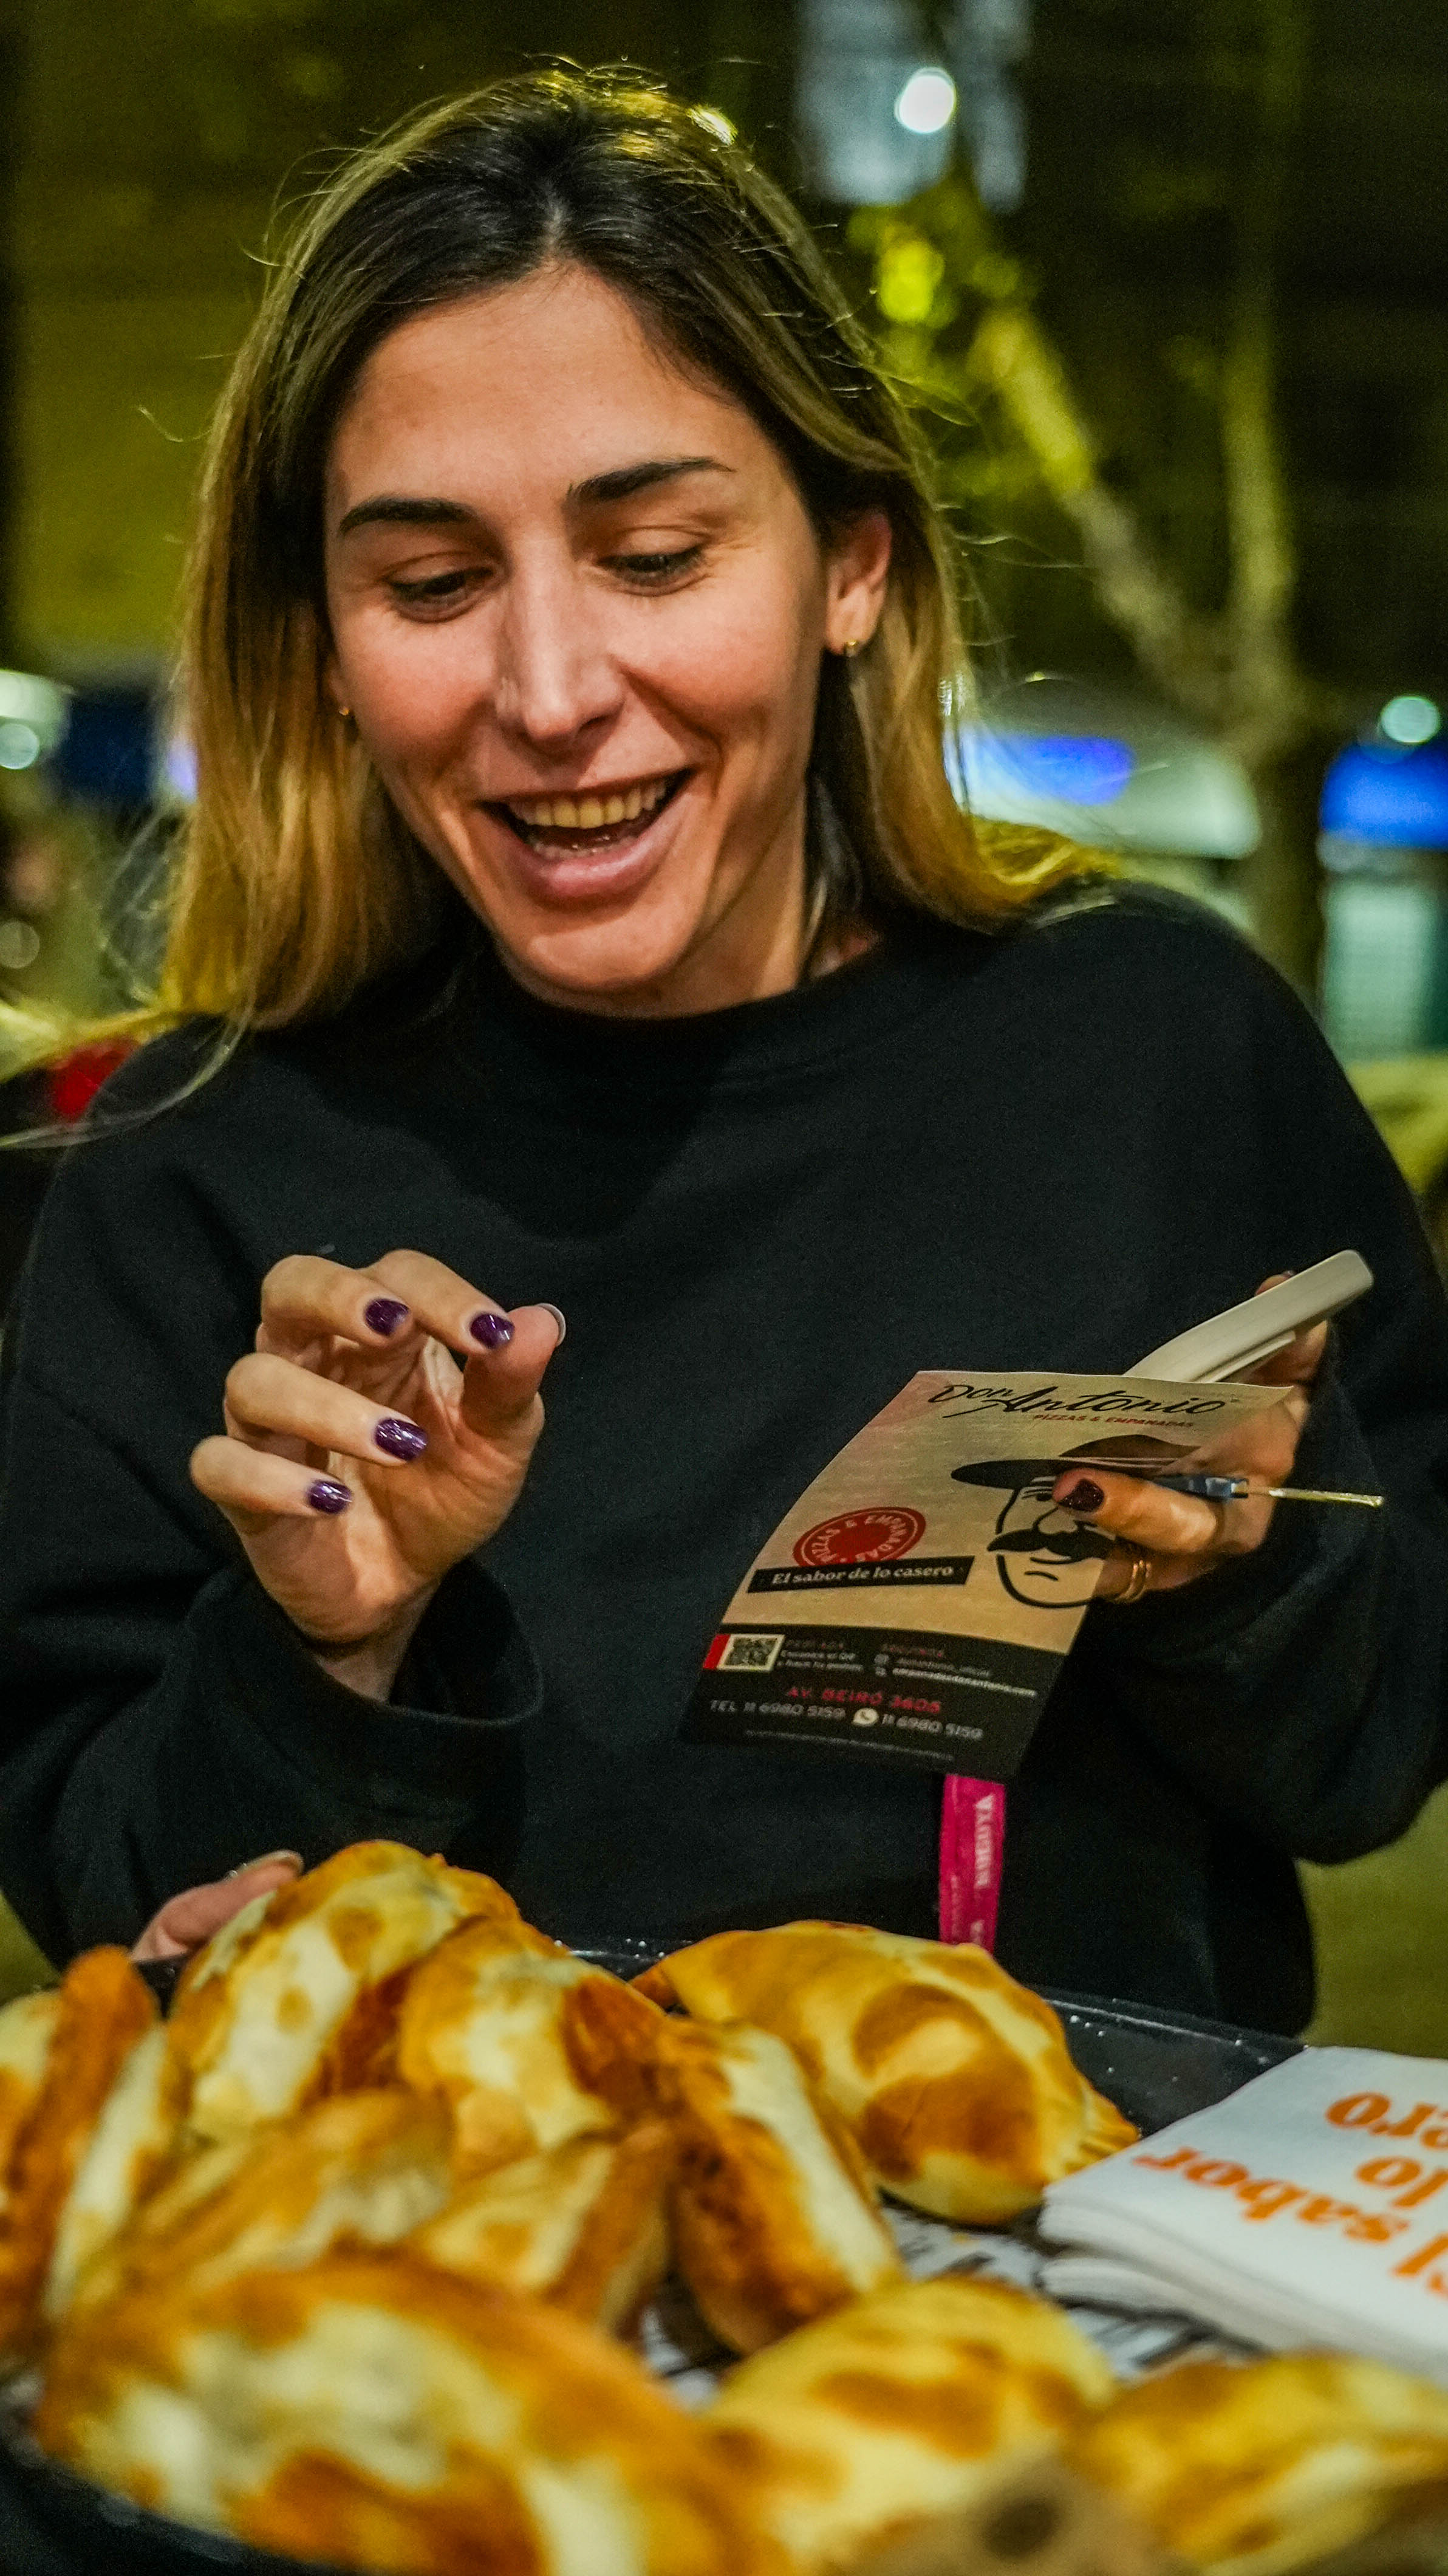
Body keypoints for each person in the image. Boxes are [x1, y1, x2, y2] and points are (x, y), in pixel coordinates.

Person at [2, 74, 1446, 2035]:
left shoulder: (1149, 1052)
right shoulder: (183, 1184)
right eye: (431, 583)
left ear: (850, 564)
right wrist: (321, 1655)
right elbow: (122, 1932)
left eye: (657, 555)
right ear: (326, 635)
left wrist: (1240, 1570)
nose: (549, 692)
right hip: (447, 2304)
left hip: (1053, 2302)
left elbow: (1365, 1771)